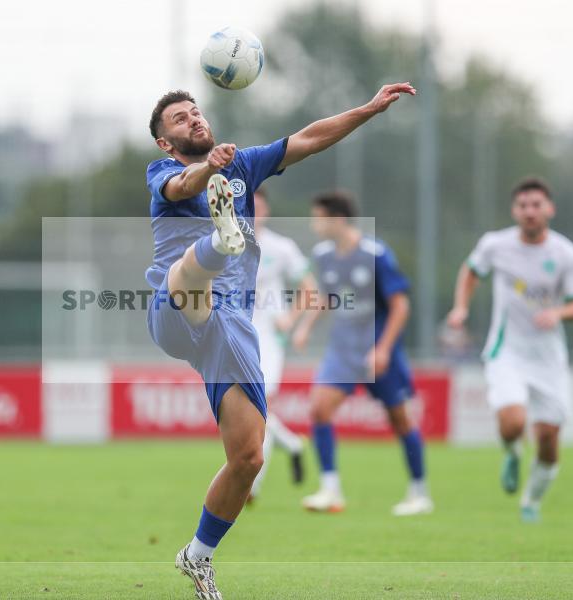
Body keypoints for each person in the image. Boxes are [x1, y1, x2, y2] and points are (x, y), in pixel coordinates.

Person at [145, 83, 416, 599]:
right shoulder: (162, 170)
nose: (194, 119)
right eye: (180, 119)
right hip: (175, 310)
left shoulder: (243, 165)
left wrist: (368, 109)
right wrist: (208, 171)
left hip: (232, 328)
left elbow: (309, 138)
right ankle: (218, 240)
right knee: (189, 277)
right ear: (165, 141)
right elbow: (181, 186)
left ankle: (197, 556)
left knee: (249, 457)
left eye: (196, 112)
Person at [445, 177, 573, 523]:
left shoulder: (566, 253)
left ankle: (532, 501)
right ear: (514, 210)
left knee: (548, 438)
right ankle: (512, 452)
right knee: (513, 422)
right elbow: (471, 272)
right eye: (523, 205)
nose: (529, 211)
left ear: (549, 209)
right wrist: (461, 307)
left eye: (536, 205)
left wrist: (558, 313)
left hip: (548, 358)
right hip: (506, 351)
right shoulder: (495, 245)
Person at [292, 190, 433, 516]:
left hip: (377, 352)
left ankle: (419, 492)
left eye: (318, 219)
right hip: (343, 350)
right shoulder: (323, 255)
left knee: (400, 420)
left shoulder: (375, 254)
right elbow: (328, 296)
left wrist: (382, 349)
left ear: (338, 219)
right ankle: (330, 490)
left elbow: (400, 306)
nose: (314, 225)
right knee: (319, 409)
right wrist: (306, 327)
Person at [247, 187, 315, 502]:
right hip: (236, 336)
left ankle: (252, 485)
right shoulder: (224, 243)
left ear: (267, 211)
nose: (253, 213)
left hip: (269, 338)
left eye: (258, 207)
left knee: (260, 407)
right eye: (248, 206)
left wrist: (290, 318)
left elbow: (309, 287)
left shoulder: (281, 247)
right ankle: (293, 444)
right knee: (245, 409)